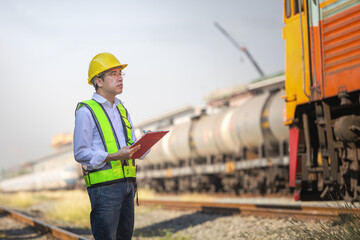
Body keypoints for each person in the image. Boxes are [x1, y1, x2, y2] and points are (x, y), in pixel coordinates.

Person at [73, 52, 141, 240]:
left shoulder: (122, 109)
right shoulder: (86, 111)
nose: (119, 78)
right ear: (99, 81)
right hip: (104, 188)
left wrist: (144, 146)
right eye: (113, 74)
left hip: (128, 185)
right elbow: (80, 153)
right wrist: (112, 156)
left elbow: (131, 144)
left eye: (120, 73)